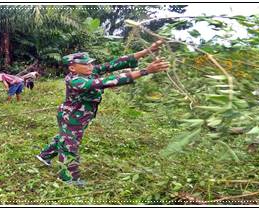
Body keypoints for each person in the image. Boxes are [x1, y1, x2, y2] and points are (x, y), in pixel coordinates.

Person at [36, 40, 169, 186]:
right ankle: (67, 178)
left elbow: (114, 64)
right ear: (73, 68)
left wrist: (147, 51)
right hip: (72, 117)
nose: (90, 66)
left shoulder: (89, 72)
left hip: (81, 115)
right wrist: (145, 71)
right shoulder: (76, 80)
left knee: (66, 137)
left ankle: (44, 155)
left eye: (91, 63)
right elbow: (106, 81)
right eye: (86, 64)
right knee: (70, 145)